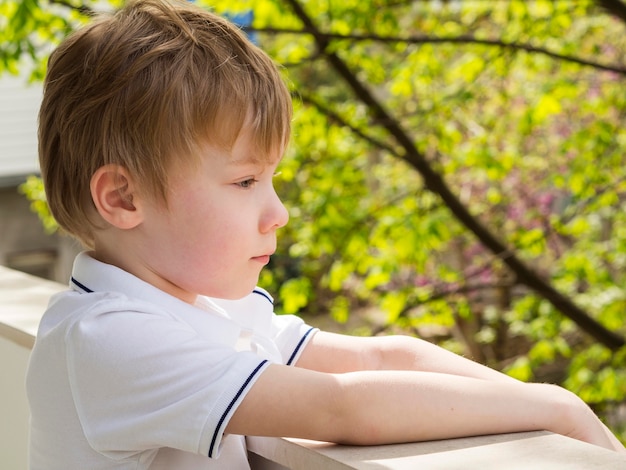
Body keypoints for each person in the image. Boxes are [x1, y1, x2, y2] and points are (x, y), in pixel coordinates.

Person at [26, 0, 625, 468]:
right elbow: (343, 406)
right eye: (244, 182)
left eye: (272, 180)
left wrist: (555, 406)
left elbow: (385, 353)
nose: (278, 211)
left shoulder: (199, 310)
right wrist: (549, 406)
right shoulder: (106, 337)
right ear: (123, 198)